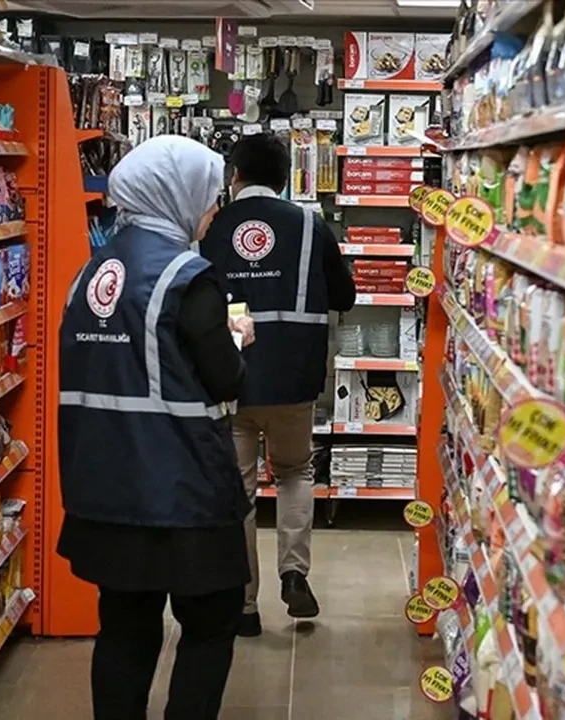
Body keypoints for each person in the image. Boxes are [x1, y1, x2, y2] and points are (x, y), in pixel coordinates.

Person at [56, 136, 256, 720]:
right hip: (181, 488)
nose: (214, 209)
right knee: (212, 620)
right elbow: (224, 379)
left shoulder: (90, 272)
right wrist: (237, 341)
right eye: (208, 196)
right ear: (176, 194)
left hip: (104, 486)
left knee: (124, 623)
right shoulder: (188, 277)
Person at [199, 133, 355, 636]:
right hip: (294, 376)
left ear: (235, 175)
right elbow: (346, 297)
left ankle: (243, 607)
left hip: (229, 380)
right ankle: (294, 574)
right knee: (294, 472)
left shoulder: (211, 228)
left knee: (239, 490)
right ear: (287, 178)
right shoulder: (311, 226)